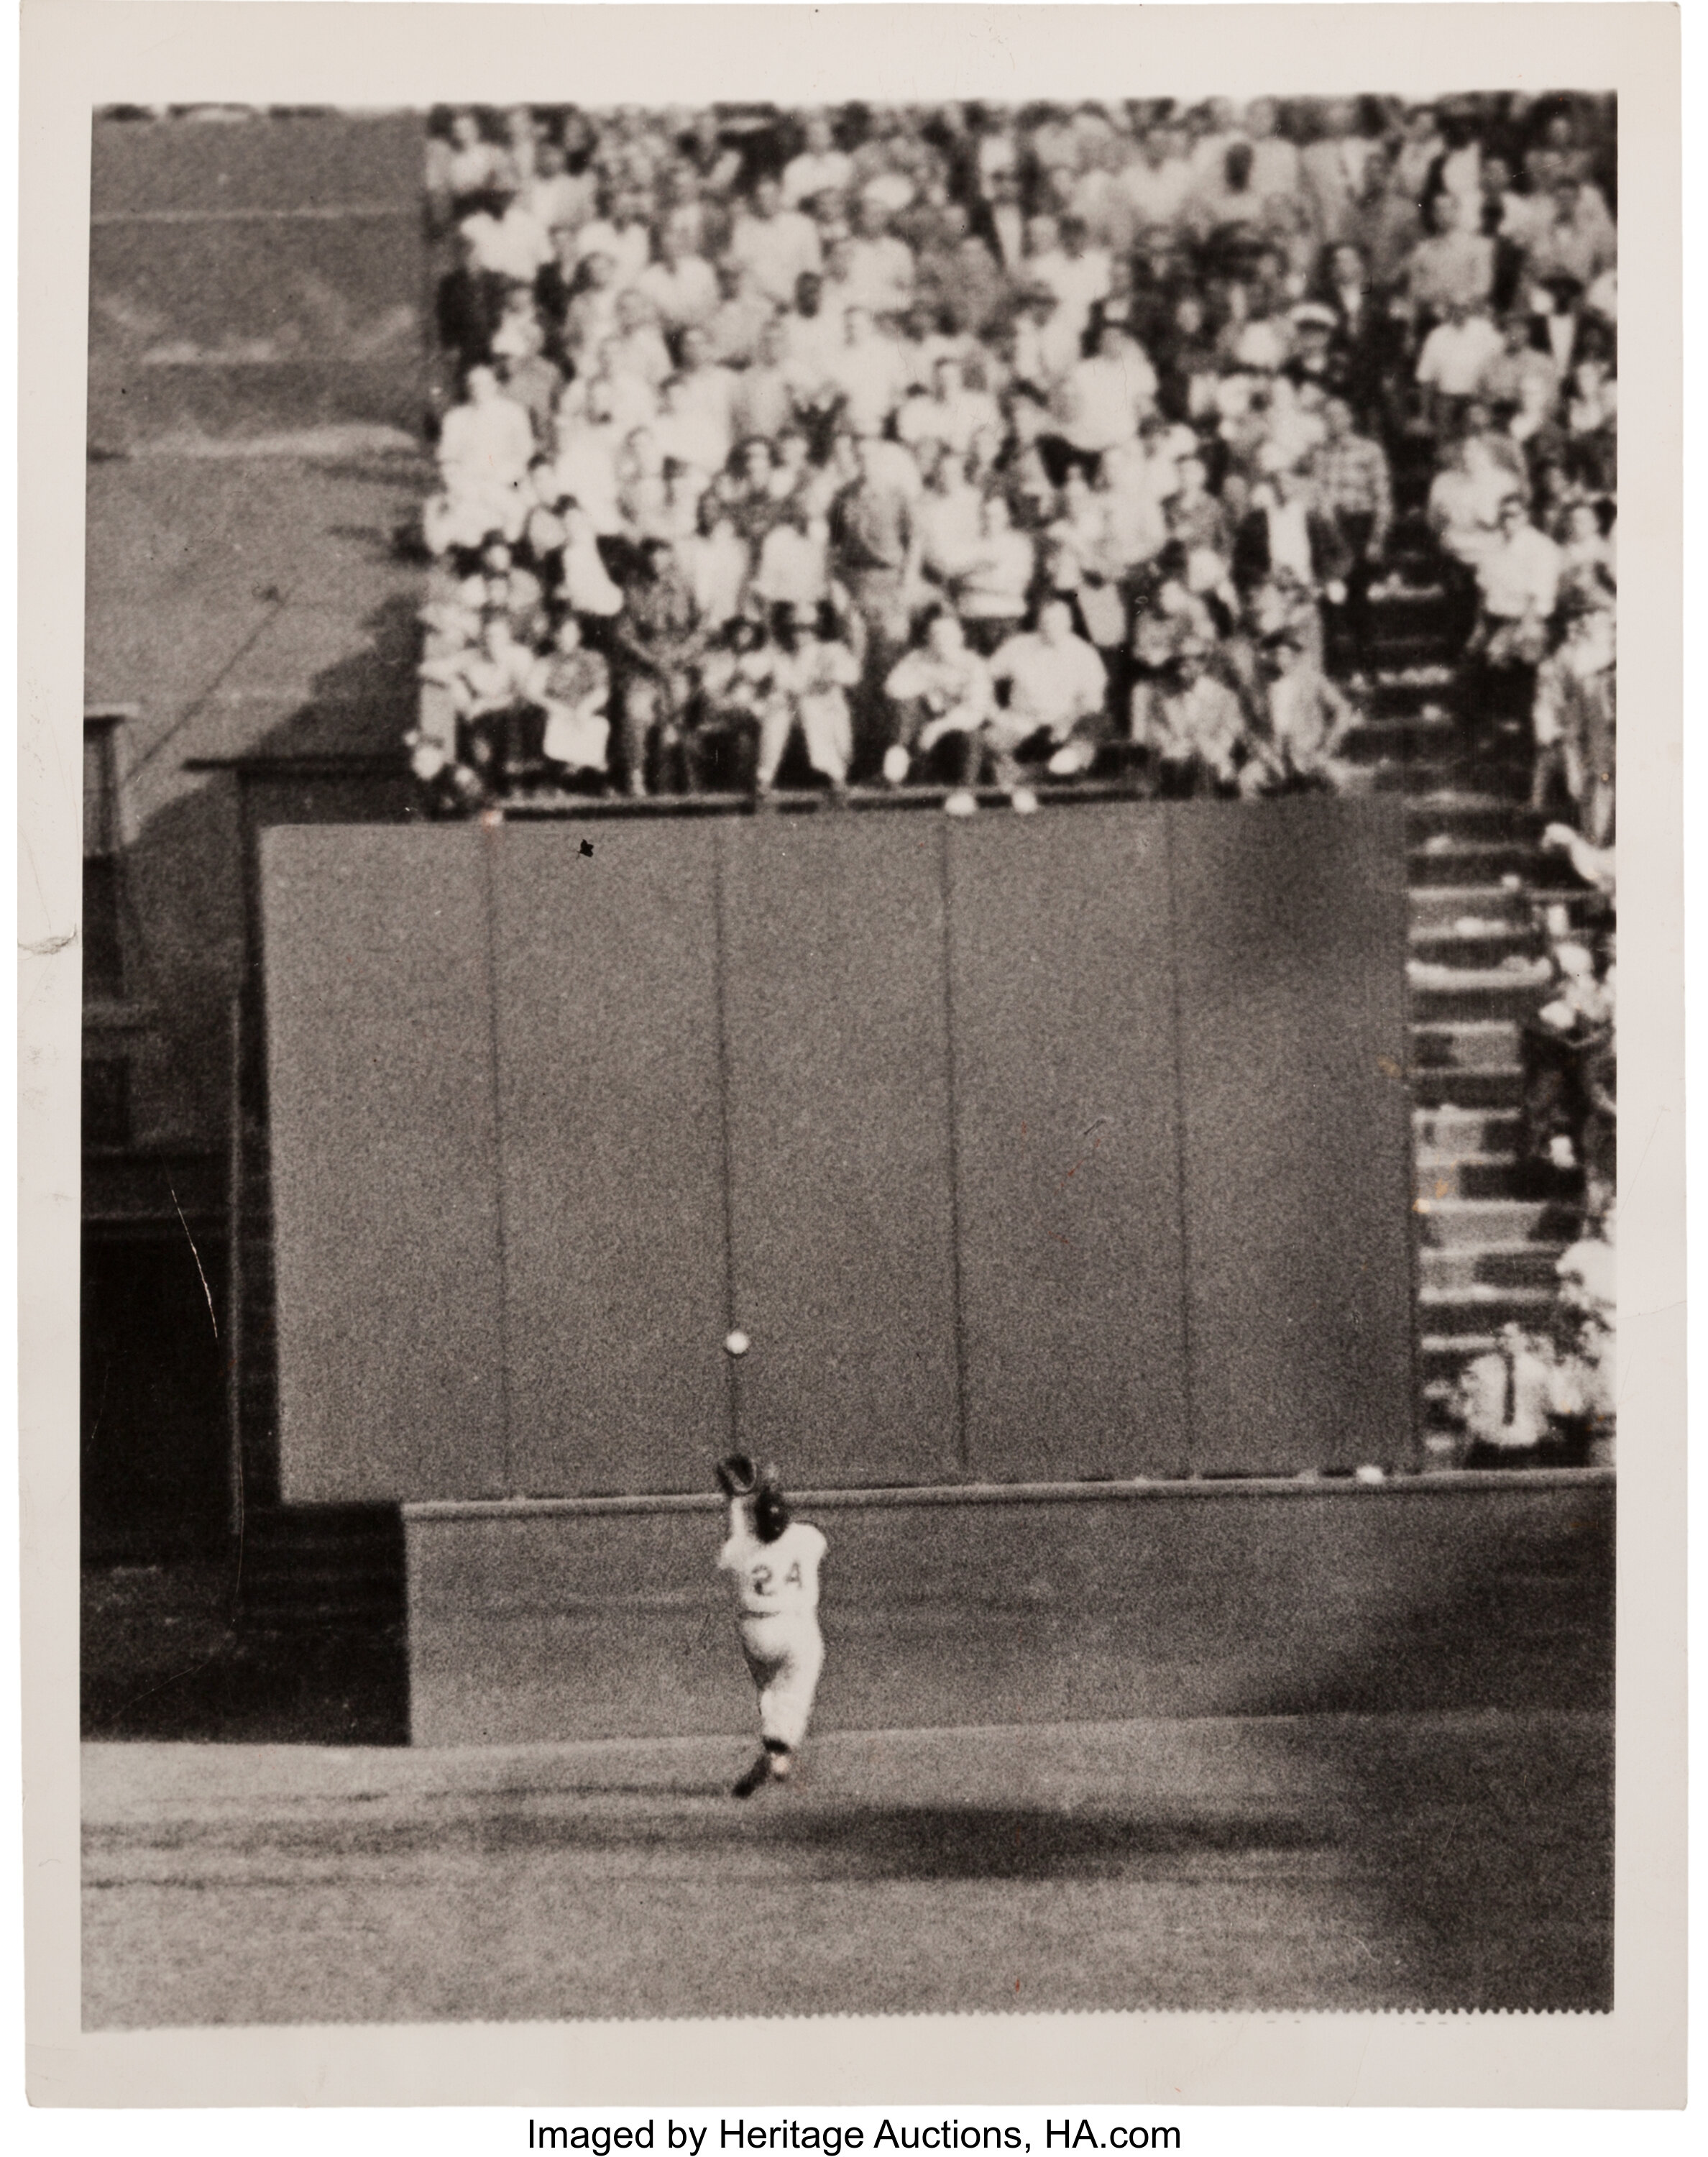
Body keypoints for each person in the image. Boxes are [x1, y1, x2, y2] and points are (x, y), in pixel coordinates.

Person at [715, 1459, 827, 1799]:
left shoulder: (741, 1549)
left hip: (755, 1634)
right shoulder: (808, 1538)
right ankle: (779, 1745)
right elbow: (789, 1527)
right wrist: (771, 1486)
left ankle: (777, 1748)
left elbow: (738, 1539)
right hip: (795, 1627)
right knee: (800, 1680)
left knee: (772, 1691)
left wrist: (737, 1501)